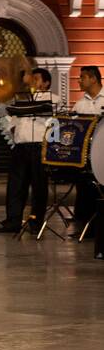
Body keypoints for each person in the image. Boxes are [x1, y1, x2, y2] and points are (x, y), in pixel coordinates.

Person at [1, 67, 60, 232]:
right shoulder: (23, 98)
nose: (32, 81)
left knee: (39, 186)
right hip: (21, 146)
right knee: (15, 185)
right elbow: (12, 122)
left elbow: (54, 123)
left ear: (46, 82)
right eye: (31, 78)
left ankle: (36, 222)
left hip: (39, 146)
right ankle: (13, 221)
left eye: (36, 79)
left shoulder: (53, 99)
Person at [71, 65, 102, 230]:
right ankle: (84, 226)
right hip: (84, 155)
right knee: (83, 189)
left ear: (93, 78)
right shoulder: (79, 104)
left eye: (82, 77)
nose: (79, 80)